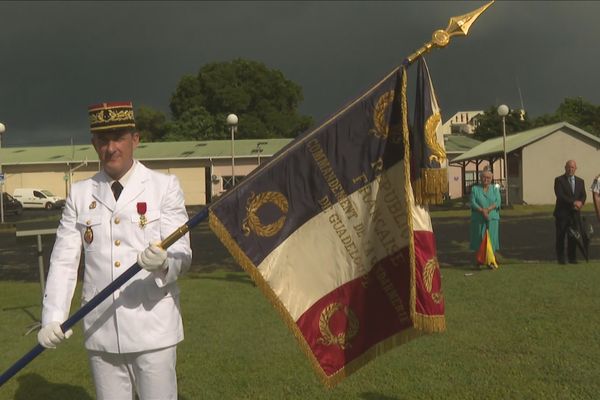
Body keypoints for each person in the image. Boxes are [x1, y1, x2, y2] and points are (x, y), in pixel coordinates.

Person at [37, 101, 192, 399]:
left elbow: (183, 254)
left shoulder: (164, 187)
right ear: (94, 143)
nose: (111, 148)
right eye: (103, 140)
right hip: (101, 329)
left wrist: (164, 262)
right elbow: (64, 261)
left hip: (153, 329)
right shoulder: (80, 194)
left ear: (135, 139)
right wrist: (53, 316)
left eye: (119, 137)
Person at [553, 159, 586, 264]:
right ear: (565, 168)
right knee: (561, 237)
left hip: (575, 214)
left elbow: (583, 195)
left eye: (573, 167)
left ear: (576, 169)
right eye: (569, 167)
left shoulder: (580, 181)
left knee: (573, 237)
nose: (570, 169)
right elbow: (560, 195)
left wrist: (581, 202)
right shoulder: (559, 180)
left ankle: (572, 258)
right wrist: (574, 203)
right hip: (562, 214)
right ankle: (561, 259)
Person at [469, 170, 501, 266]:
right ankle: (479, 260)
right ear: (480, 178)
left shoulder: (495, 188)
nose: (486, 179)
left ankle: (491, 260)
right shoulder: (475, 189)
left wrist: (488, 209)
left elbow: (498, 202)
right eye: (484, 177)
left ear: (491, 179)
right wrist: (482, 210)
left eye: (488, 178)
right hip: (478, 218)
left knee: (492, 239)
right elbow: (473, 202)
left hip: (492, 218)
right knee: (479, 238)